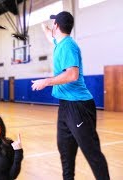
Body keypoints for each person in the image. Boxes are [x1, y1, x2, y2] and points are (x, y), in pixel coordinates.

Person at [32, 11, 110, 180]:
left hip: (79, 106)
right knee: (65, 151)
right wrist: (42, 25)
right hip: (66, 106)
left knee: (92, 153)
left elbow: (72, 74)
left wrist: (46, 81)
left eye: (53, 24)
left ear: (57, 26)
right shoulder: (59, 43)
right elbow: (48, 36)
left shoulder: (68, 46)